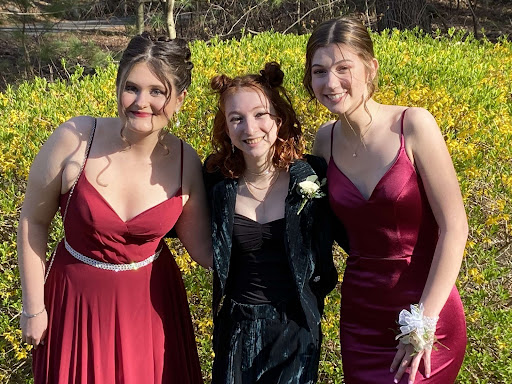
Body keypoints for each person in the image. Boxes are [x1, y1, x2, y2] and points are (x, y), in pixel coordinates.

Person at [17, 33, 211, 383]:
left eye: (158, 92)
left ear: (180, 99)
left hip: (152, 310)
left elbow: (205, 250)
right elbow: (33, 219)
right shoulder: (75, 138)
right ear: (118, 85)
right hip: (75, 306)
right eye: (131, 87)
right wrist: (33, 307)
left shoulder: (186, 161)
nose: (141, 102)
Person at [304, 17, 468, 384]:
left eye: (343, 68)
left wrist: (422, 325)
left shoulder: (414, 125)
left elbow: (455, 227)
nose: (330, 83)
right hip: (361, 318)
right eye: (319, 71)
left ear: (370, 67)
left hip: (427, 311)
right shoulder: (323, 142)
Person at [204, 62, 340, 384]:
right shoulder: (215, 182)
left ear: (278, 120)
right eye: (236, 118)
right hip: (237, 327)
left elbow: (349, 233)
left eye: (260, 114)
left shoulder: (312, 175)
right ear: (225, 128)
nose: (249, 128)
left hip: (296, 328)